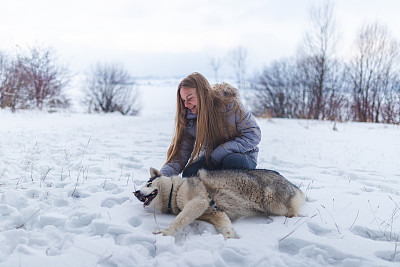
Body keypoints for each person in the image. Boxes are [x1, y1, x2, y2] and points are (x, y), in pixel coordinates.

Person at [160, 72, 261, 177]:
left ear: (203, 94)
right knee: (190, 174)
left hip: (242, 157)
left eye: (190, 98)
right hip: (212, 159)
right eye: (183, 100)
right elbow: (181, 153)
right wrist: (159, 178)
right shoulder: (190, 119)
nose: (186, 104)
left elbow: (254, 135)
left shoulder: (231, 105)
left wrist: (222, 150)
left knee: (232, 162)